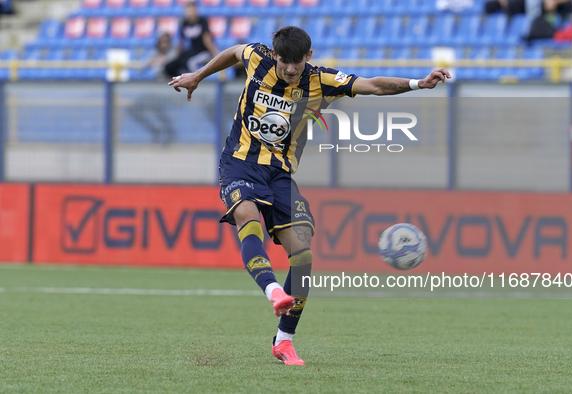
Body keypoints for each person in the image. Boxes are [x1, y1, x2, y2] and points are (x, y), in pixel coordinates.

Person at [169, 26, 450, 365]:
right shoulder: (257, 57)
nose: (290, 70)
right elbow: (233, 51)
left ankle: (284, 341)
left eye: (297, 64)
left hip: (280, 175)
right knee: (246, 215)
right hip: (240, 164)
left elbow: (373, 85)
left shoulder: (321, 80)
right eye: (284, 62)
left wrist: (419, 83)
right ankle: (273, 290)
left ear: (309, 57)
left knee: (302, 255)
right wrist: (198, 76)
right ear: (274, 55)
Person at [165, 1, 218, 78]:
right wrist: (177, 57)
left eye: (192, 10)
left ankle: (195, 80)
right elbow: (181, 42)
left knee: (191, 62)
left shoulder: (202, 21)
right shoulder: (185, 23)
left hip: (204, 51)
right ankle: (179, 80)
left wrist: (215, 53)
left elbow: (207, 39)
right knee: (172, 65)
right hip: (193, 50)